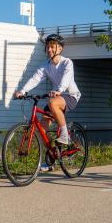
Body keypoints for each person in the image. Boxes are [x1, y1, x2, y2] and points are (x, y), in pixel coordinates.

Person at [14, 34, 81, 170]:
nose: (49, 49)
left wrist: (59, 90)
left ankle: (64, 135)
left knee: (52, 102)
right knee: (42, 128)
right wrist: (23, 91)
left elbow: (66, 79)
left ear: (60, 49)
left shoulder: (67, 62)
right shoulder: (46, 65)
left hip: (71, 95)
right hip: (56, 97)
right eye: (47, 47)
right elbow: (35, 79)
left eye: (52, 46)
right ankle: (51, 158)